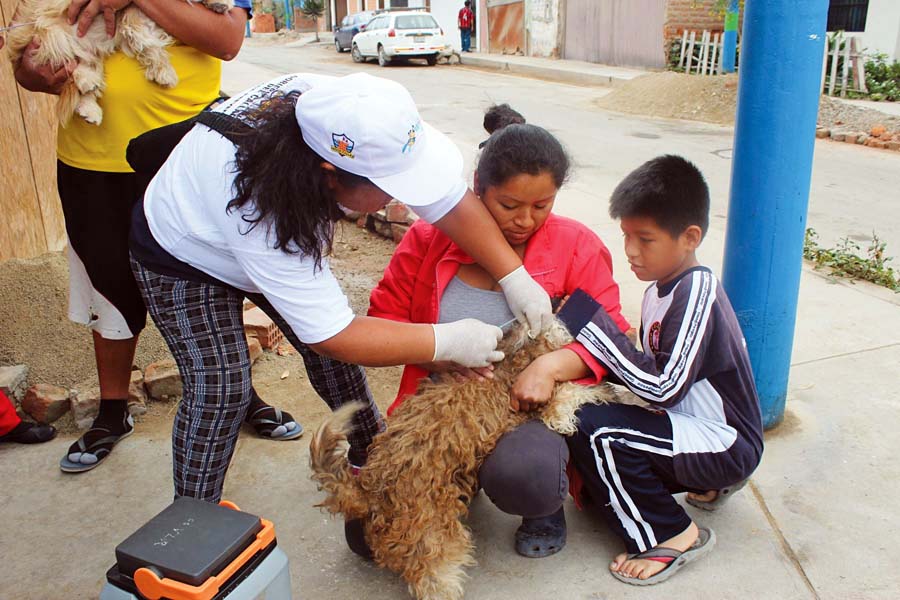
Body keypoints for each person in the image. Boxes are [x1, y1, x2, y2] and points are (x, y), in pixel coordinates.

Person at [128, 72, 553, 504]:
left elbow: (446, 201)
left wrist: (513, 276)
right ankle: (190, 523)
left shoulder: (350, 114)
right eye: (390, 191)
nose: (401, 203)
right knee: (221, 388)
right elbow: (332, 334)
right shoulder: (263, 210)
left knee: (336, 370)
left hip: (263, 224)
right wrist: (445, 340)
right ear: (330, 175)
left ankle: (373, 457)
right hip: (184, 252)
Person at [10, 0, 305, 473]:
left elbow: (228, 39)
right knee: (108, 286)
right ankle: (112, 410)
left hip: (187, 151)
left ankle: (238, 395)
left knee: (210, 280)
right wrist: (33, 68)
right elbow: (26, 67)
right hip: (92, 161)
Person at [369, 120, 630, 558]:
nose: (526, 220)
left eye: (542, 205)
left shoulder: (575, 246)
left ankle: (543, 504)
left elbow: (612, 335)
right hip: (442, 412)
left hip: (523, 413)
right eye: (508, 205)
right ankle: (457, 480)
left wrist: (548, 367)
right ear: (477, 188)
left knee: (525, 474)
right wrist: (440, 349)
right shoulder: (428, 239)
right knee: (368, 537)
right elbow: (383, 323)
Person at [548, 155, 764, 584]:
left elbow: (662, 387)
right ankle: (702, 486)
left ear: (689, 237)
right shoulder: (659, 291)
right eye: (626, 235)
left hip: (726, 443)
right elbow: (644, 370)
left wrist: (591, 322)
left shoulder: (697, 289)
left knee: (596, 429)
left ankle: (672, 532)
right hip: (695, 428)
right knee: (593, 415)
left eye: (644, 239)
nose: (630, 250)